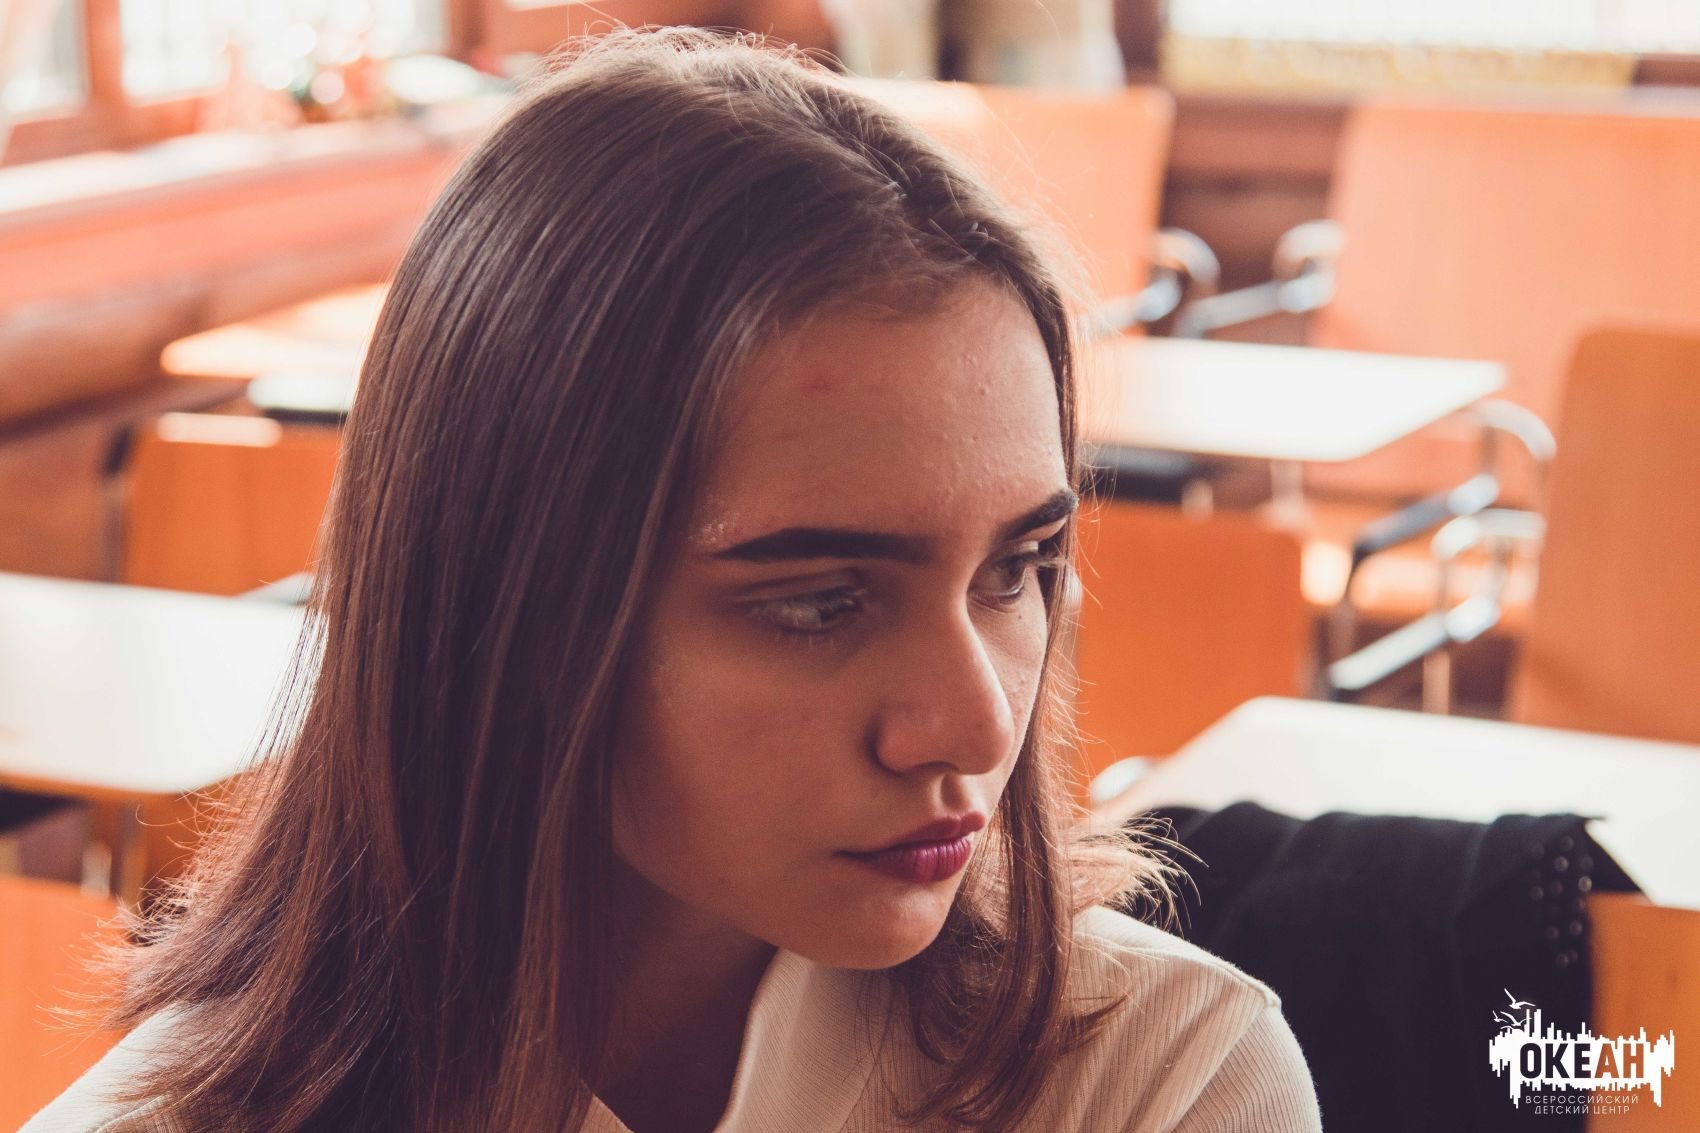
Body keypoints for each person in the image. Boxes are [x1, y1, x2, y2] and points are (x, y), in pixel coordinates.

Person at [27, 29, 1321, 1133]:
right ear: (509, 607)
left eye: (1019, 568)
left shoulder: (1162, 1076)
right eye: (820, 603)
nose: (978, 724)